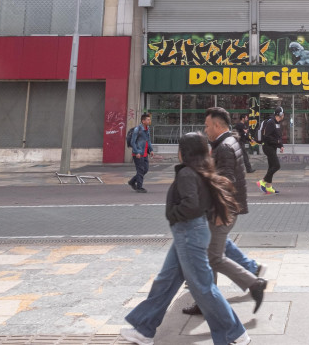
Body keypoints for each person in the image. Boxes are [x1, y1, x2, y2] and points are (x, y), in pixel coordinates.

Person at [121, 132, 251, 345]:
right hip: (189, 233)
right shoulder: (202, 171)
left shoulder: (187, 174)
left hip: (189, 233)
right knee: (165, 282)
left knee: (202, 287)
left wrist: (173, 214)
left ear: (183, 152)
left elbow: (192, 205)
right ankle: (144, 329)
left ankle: (233, 333)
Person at [180, 107, 267, 317]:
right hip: (222, 208)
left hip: (223, 210)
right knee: (210, 256)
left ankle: (254, 284)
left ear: (218, 126)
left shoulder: (225, 147)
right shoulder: (226, 143)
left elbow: (227, 181)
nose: (205, 129)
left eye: (208, 125)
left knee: (213, 259)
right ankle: (206, 302)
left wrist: (220, 209)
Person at [257, 107, 285, 194]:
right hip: (267, 147)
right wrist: (276, 142)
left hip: (272, 147)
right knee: (276, 166)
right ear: (279, 114)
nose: (284, 115)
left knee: (271, 166)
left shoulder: (277, 123)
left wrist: (280, 145)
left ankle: (268, 186)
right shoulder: (271, 122)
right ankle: (263, 181)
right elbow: (267, 137)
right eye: (283, 114)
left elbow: (277, 136)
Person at [128, 113, 152, 193]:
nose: (149, 121)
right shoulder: (137, 129)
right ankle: (139, 187)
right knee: (140, 169)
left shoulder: (147, 129)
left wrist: (151, 150)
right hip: (138, 153)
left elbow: (148, 140)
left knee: (145, 169)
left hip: (145, 153)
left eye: (149, 119)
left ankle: (132, 181)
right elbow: (132, 142)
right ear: (143, 121)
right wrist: (136, 152)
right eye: (148, 119)